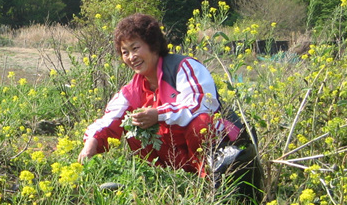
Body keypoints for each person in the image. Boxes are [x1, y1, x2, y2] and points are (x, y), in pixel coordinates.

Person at [78, 13, 260, 192]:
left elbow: (200, 104)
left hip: (219, 148)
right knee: (133, 129)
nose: (131, 57)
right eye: (125, 52)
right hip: (176, 156)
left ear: (153, 45)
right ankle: (162, 184)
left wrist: (158, 114)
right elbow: (111, 118)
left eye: (135, 48)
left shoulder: (183, 67)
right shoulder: (132, 89)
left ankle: (211, 184)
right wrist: (92, 143)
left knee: (201, 122)